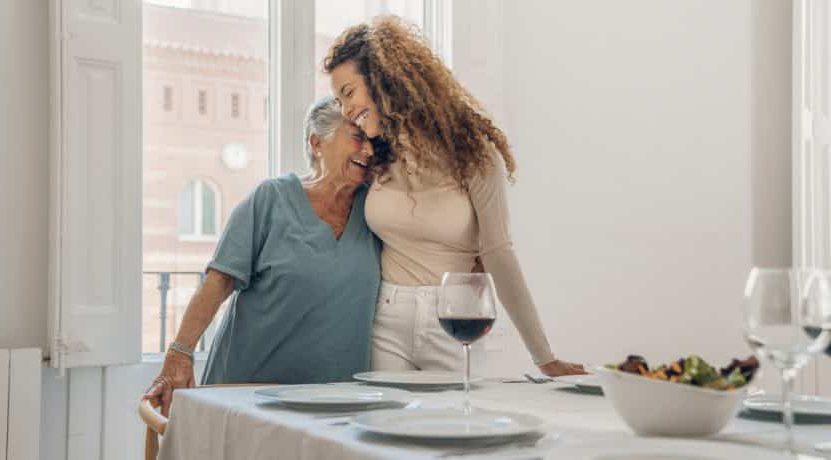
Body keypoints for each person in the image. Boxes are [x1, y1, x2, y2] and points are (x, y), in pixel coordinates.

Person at [323, 16, 585, 377]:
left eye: (348, 93)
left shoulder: (473, 152)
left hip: (455, 319)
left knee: (457, 426)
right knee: (386, 428)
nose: (346, 110)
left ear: (385, 78)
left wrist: (544, 357)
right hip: (384, 317)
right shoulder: (375, 155)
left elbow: (498, 252)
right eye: (339, 101)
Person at [143, 95, 380, 415]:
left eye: (373, 140)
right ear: (317, 143)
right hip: (248, 395)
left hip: (335, 405)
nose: (369, 150)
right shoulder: (271, 199)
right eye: (357, 137)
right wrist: (179, 354)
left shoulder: (378, 211)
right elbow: (218, 282)